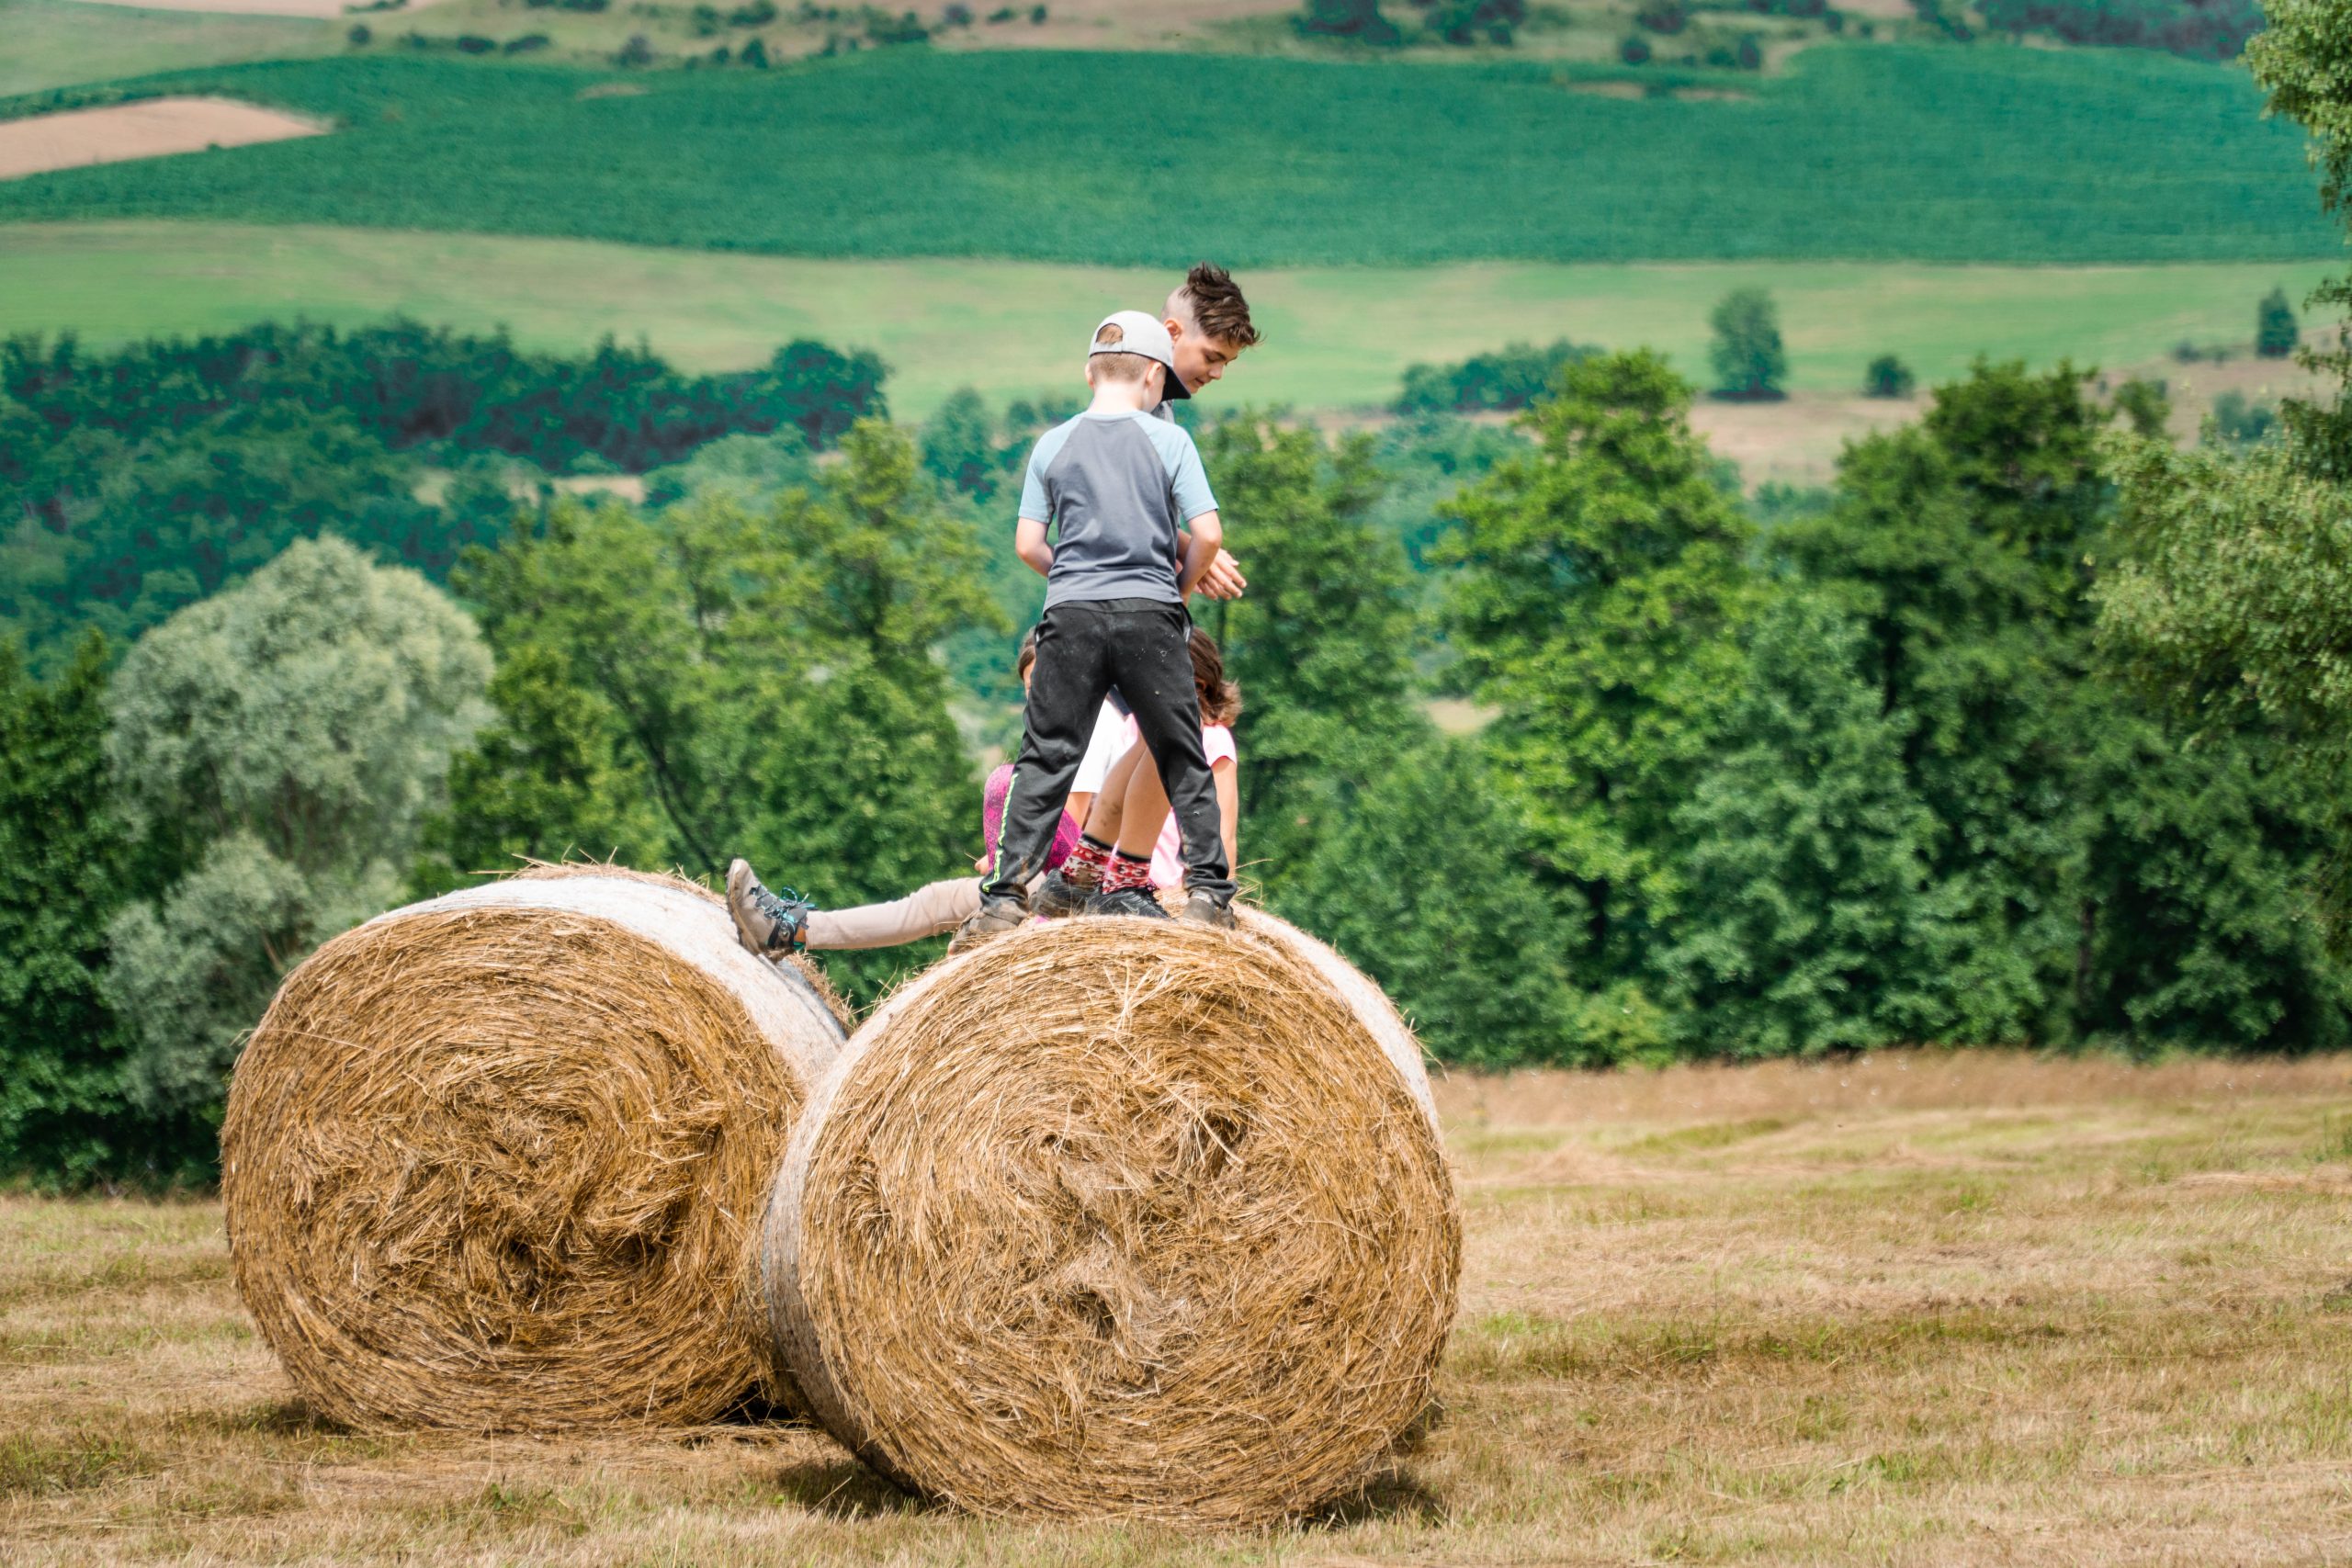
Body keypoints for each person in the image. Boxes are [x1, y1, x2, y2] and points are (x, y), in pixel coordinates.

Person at [961, 308, 1236, 943]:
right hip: (1149, 611)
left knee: (1045, 758)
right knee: (1177, 751)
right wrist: (1180, 589)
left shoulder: (1051, 444)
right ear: (1152, 377)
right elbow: (1210, 534)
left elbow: (1028, 543)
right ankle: (1211, 895)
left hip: (1071, 614)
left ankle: (1001, 902)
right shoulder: (1169, 441)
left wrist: (1071, 583)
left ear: (1091, 374)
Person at [723, 630, 1241, 950]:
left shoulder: (1182, 735)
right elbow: (1102, 817)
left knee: (995, 797)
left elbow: (1209, 836)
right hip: (1099, 879)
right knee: (934, 901)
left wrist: (1209, 906)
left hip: (1129, 889)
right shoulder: (1135, 731)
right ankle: (796, 927)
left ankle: (794, 928)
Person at [1052, 627, 1242, 919]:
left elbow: (1224, 830)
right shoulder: (1136, 725)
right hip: (1137, 878)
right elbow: (1223, 832)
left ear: (1197, 684)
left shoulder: (1212, 738)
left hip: (1151, 880)